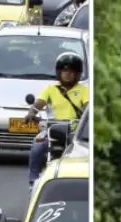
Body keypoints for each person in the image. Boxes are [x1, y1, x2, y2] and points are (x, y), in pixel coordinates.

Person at [24, 52, 87, 186]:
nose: (67, 74)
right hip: (51, 129)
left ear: (77, 74)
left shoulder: (84, 90)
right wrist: (31, 113)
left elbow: (88, 107)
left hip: (75, 131)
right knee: (38, 146)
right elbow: (39, 103)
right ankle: (33, 181)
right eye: (64, 71)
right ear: (59, 73)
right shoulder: (50, 89)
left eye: (71, 71)